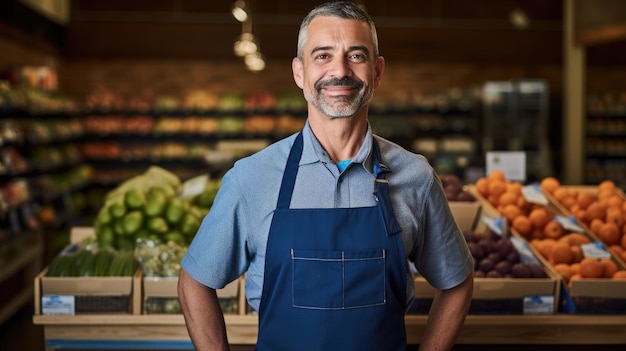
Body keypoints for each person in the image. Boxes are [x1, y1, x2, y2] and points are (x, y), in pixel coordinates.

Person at [178, 1, 474, 350]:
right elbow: (194, 282)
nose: (340, 70)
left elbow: (456, 281)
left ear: (377, 71)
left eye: (357, 55)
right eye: (322, 55)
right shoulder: (252, 177)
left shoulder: (415, 177)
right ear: (299, 72)